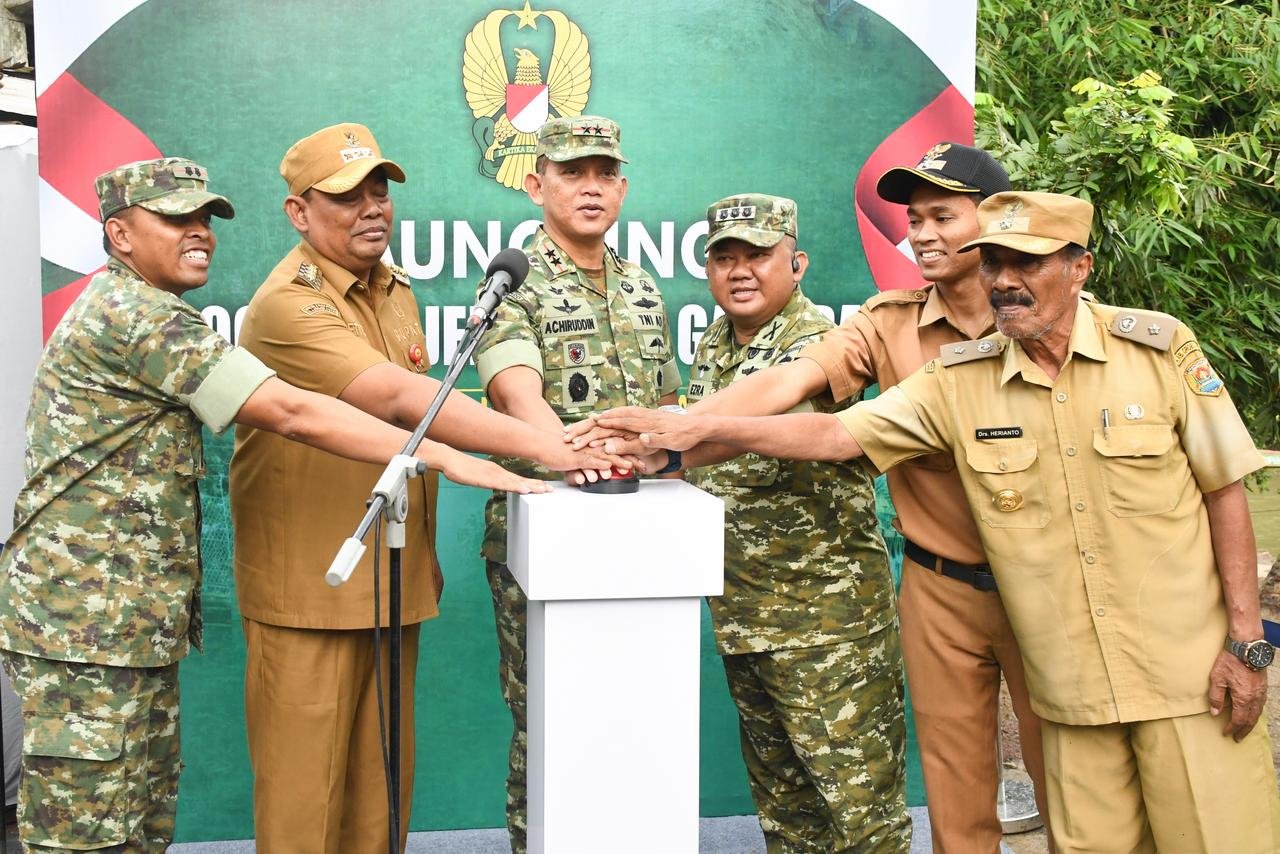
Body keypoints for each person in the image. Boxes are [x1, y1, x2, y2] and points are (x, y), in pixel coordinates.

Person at [587, 190, 1280, 853]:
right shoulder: (957, 377)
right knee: (1077, 836)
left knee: (1215, 835)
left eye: (1027, 263)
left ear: (1080, 267)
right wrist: (678, 436)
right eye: (995, 264)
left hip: (1172, 659)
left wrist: (1247, 644)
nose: (1006, 281)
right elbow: (833, 435)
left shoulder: (1156, 353)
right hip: (1051, 666)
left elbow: (1225, 490)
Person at [0, 158, 547, 852]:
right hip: (85, 623)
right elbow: (291, 410)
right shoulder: (133, 315)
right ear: (119, 234)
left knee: (135, 822)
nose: (198, 232)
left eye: (204, 218)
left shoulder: (159, 311)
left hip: (122, 618)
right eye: (174, 219)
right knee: (85, 834)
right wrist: (439, 455)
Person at [597, 142, 1055, 853]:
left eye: (943, 216)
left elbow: (834, 432)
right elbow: (789, 384)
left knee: (1074, 791)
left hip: (1040, 582)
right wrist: (680, 433)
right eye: (913, 218)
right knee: (956, 802)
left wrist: (686, 432)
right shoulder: (885, 321)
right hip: (942, 589)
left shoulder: (1044, 318)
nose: (923, 233)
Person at [228, 124, 620, 854]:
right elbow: (402, 400)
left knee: (381, 803)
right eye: (347, 196)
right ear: (297, 212)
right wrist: (555, 445)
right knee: (304, 809)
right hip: (312, 586)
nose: (372, 207)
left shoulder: (394, 289)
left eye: (380, 190)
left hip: (388, 580)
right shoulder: (286, 303)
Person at [472, 115, 681, 852]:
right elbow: (513, 389)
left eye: (603, 174)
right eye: (571, 173)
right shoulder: (516, 281)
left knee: (636, 715)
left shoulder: (643, 285)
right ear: (537, 185)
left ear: (622, 187)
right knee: (551, 716)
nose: (590, 187)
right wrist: (565, 449)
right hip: (549, 531)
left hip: (648, 535)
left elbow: (667, 407)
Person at [676, 193, 909, 851]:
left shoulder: (816, 344)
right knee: (788, 815)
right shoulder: (718, 342)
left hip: (824, 626)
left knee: (859, 817)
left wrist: (663, 440)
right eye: (725, 257)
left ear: (797, 263)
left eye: (758, 255)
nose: (740, 270)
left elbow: (753, 421)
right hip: (747, 617)